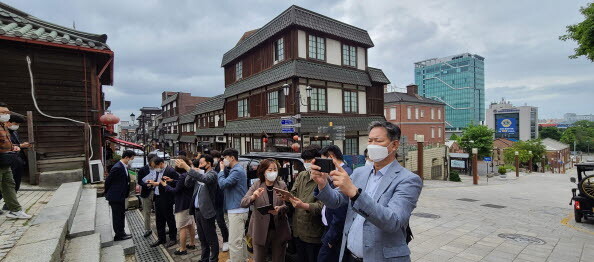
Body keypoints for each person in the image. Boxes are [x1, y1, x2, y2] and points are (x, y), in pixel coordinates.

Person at [312, 121, 423, 262]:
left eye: (378, 141)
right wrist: (322, 185)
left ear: (394, 145)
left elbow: (393, 221)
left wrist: (355, 194)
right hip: (349, 255)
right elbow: (336, 201)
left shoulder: (408, 180)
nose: (372, 145)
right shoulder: (360, 172)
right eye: (370, 140)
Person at [240, 159, 290, 262]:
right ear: (263, 171)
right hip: (260, 229)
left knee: (279, 258)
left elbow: (288, 205)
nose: (273, 172)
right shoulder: (256, 185)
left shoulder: (282, 185)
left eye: (275, 169)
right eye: (270, 169)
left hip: (278, 229)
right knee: (259, 258)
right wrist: (253, 197)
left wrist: (280, 209)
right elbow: (243, 203)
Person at [281, 146, 324, 262]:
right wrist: (286, 197)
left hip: (313, 232)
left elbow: (321, 207)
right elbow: (293, 193)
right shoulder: (302, 175)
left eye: (309, 161)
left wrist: (303, 205)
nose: (306, 163)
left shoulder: (323, 178)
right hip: (298, 230)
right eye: (305, 161)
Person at [317, 145, 352, 262]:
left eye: (322, 162)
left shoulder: (344, 175)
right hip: (330, 229)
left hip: (336, 233)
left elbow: (341, 211)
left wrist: (331, 238)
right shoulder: (335, 174)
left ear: (331, 158)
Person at [183, 155, 219, 261]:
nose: (200, 165)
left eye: (202, 163)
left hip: (207, 211)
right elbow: (187, 184)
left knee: (211, 238)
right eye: (199, 163)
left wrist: (188, 168)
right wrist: (192, 171)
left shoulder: (212, 174)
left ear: (209, 164)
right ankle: (204, 258)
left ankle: (213, 259)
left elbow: (205, 179)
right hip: (197, 211)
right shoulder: (199, 174)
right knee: (202, 238)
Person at [0, 103, 31, 219]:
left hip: (5, 161)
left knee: (9, 185)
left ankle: (15, 210)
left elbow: (6, 142)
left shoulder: (3, 126)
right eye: (3, 113)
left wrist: (13, 147)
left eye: (7, 113)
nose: (6, 115)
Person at [217, 148, 248, 262]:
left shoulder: (236, 171)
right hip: (238, 209)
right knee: (240, 239)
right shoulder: (237, 169)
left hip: (237, 209)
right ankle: (242, 259)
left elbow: (222, 184)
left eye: (225, 158)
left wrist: (221, 171)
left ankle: (236, 260)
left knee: (234, 242)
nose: (224, 160)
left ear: (232, 157)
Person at [162, 157, 196, 255]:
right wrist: (172, 180)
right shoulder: (189, 173)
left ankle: (182, 248)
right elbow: (182, 184)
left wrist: (165, 185)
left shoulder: (182, 176)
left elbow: (176, 190)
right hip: (189, 203)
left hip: (182, 204)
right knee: (190, 224)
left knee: (182, 227)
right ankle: (192, 243)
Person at [147, 157, 179, 248]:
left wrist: (158, 184)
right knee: (159, 219)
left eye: (156, 166)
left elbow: (175, 184)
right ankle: (161, 238)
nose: (155, 168)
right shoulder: (158, 171)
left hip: (167, 198)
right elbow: (158, 181)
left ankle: (173, 238)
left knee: (169, 218)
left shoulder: (170, 171)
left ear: (161, 163)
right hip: (157, 196)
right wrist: (153, 183)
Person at [104, 149, 135, 241]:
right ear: (126, 157)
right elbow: (108, 181)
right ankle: (118, 235)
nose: (132, 161)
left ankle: (122, 232)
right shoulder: (117, 167)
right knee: (117, 216)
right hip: (116, 196)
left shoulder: (124, 166)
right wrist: (109, 193)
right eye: (131, 159)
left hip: (121, 196)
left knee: (121, 215)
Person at [211, 150, 230, 252]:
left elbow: (223, 183)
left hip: (219, 198)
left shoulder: (222, 168)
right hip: (213, 198)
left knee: (220, 221)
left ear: (217, 158)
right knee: (213, 220)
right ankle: (214, 240)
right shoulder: (214, 167)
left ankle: (226, 240)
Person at [137, 153, 157, 237]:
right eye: (154, 161)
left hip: (157, 191)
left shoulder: (158, 168)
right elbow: (139, 181)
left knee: (159, 211)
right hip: (146, 192)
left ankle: (161, 227)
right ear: (150, 161)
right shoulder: (143, 169)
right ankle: (147, 229)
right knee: (147, 212)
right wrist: (146, 184)